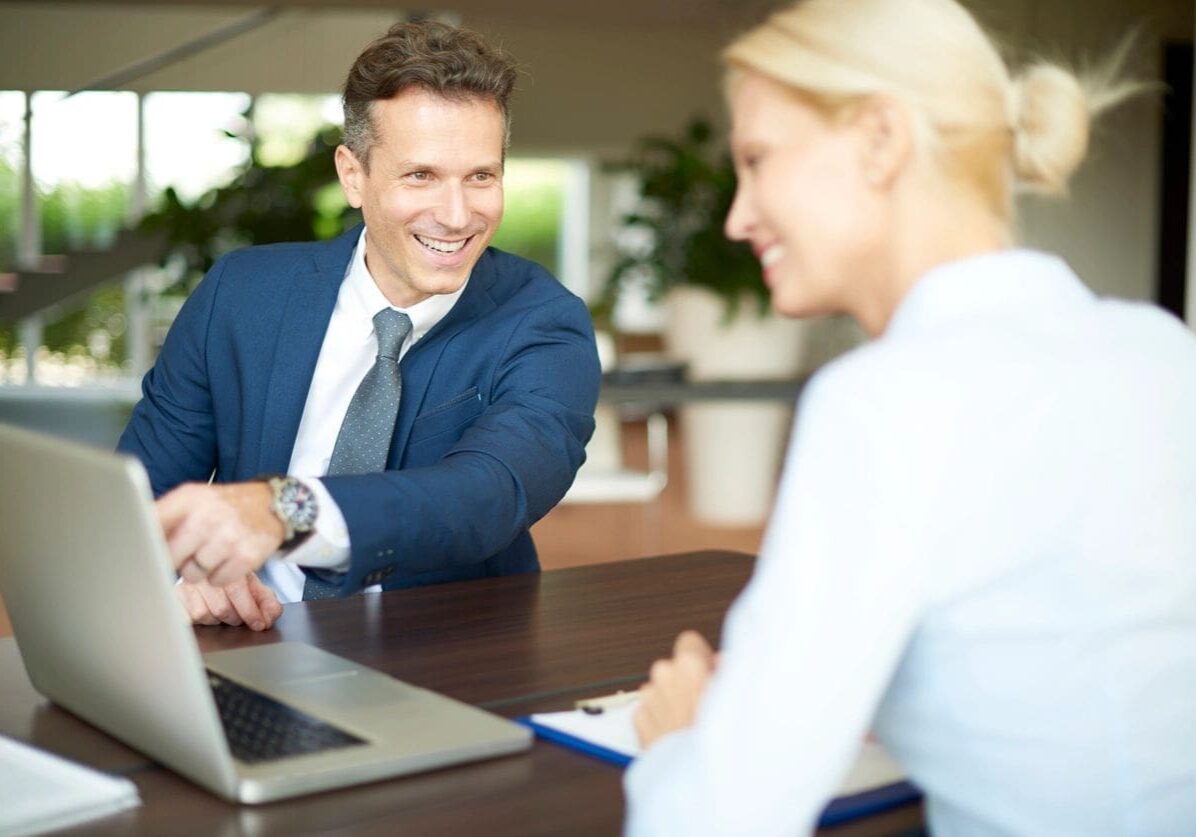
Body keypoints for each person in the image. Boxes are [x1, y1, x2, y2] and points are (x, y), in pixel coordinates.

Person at [624, 0, 1196, 834]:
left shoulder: (884, 402)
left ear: (882, 139)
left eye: (758, 158)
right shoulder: (1158, 348)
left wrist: (682, 740)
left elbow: (716, 818)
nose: (736, 216)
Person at [118, 20, 601, 631]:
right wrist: (179, 577)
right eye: (420, 175)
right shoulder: (240, 296)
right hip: (245, 646)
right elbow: (141, 500)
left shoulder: (545, 324)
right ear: (353, 175)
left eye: (481, 176)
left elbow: (486, 495)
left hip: (448, 673)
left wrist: (283, 511)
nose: (456, 216)